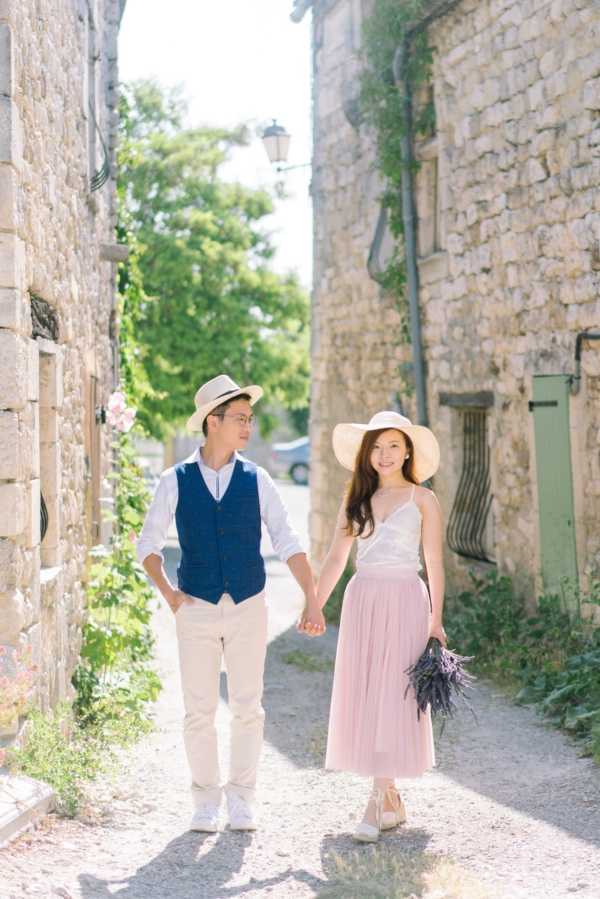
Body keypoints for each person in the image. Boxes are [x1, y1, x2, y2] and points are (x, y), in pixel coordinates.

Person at [137, 374, 323, 833]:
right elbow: (148, 545)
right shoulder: (174, 480)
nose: (248, 426)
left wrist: (312, 599)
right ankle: (205, 801)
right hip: (195, 606)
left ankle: (242, 799)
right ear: (212, 422)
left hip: (248, 605)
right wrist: (172, 597)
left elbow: (288, 539)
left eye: (250, 418)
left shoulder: (257, 480)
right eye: (240, 418)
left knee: (248, 706)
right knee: (198, 709)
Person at [299, 410, 446, 842]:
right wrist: (315, 606)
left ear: (407, 453)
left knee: (393, 693)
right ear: (367, 454)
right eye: (377, 447)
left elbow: (435, 563)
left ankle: (377, 800)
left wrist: (436, 619)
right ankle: (389, 796)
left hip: (405, 599)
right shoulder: (356, 499)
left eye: (393, 447)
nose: (384, 455)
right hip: (362, 599)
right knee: (369, 691)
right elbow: (335, 558)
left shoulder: (424, 500)